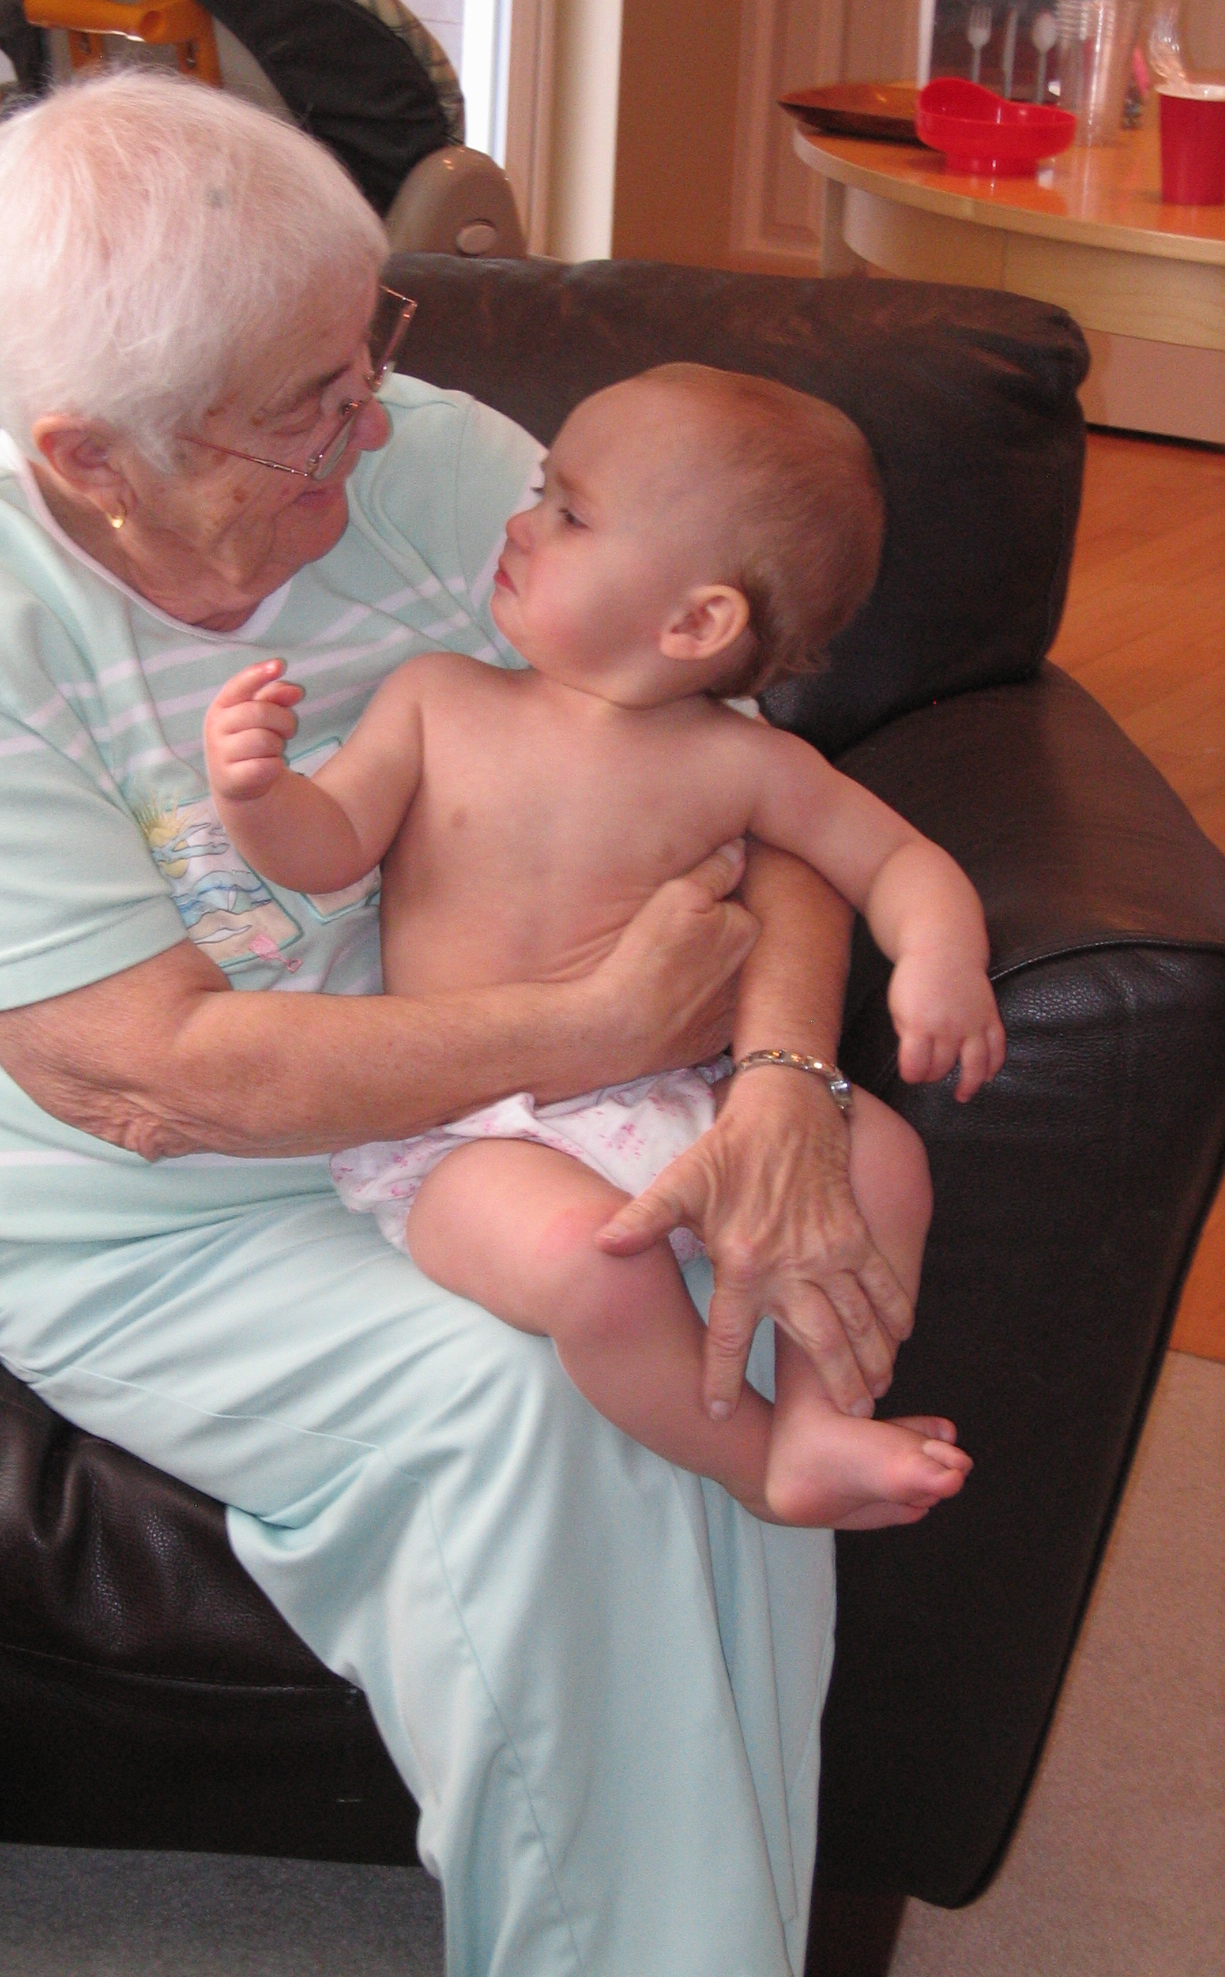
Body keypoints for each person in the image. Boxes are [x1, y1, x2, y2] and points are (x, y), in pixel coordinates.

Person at [0, 69, 922, 1977]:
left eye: (367, 353)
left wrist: (781, 1085)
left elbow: (764, 802)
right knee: (530, 1406)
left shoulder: (438, 464)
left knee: (746, 1298)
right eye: (303, 411)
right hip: (135, 1213)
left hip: (502, 1130)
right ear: (87, 452)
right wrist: (593, 1027)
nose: (378, 431)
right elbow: (149, 1078)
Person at [203, 364, 998, 1529]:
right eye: (541, 490)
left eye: (569, 513)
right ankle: (749, 1457)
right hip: (460, 1134)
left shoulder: (746, 762)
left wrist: (942, 954)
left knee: (880, 1155)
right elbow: (324, 849)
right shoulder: (439, 697)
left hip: (679, 1093)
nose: (521, 524)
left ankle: (828, 1411)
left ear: (696, 622)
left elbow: (894, 861)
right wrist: (256, 790)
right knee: (590, 1261)